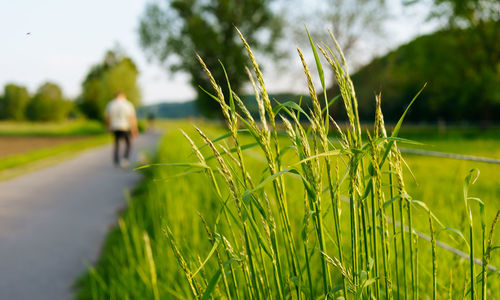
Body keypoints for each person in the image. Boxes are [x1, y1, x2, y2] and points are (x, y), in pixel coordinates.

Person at [105, 92, 138, 168]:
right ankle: (125, 159)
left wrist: (108, 127)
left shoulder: (111, 104)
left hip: (115, 127)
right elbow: (132, 117)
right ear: (123, 96)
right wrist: (134, 129)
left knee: (117, 143)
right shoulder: (128, 104)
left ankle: (116, 161)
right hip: (125, 127)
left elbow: (107, 117)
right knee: (128, 143)